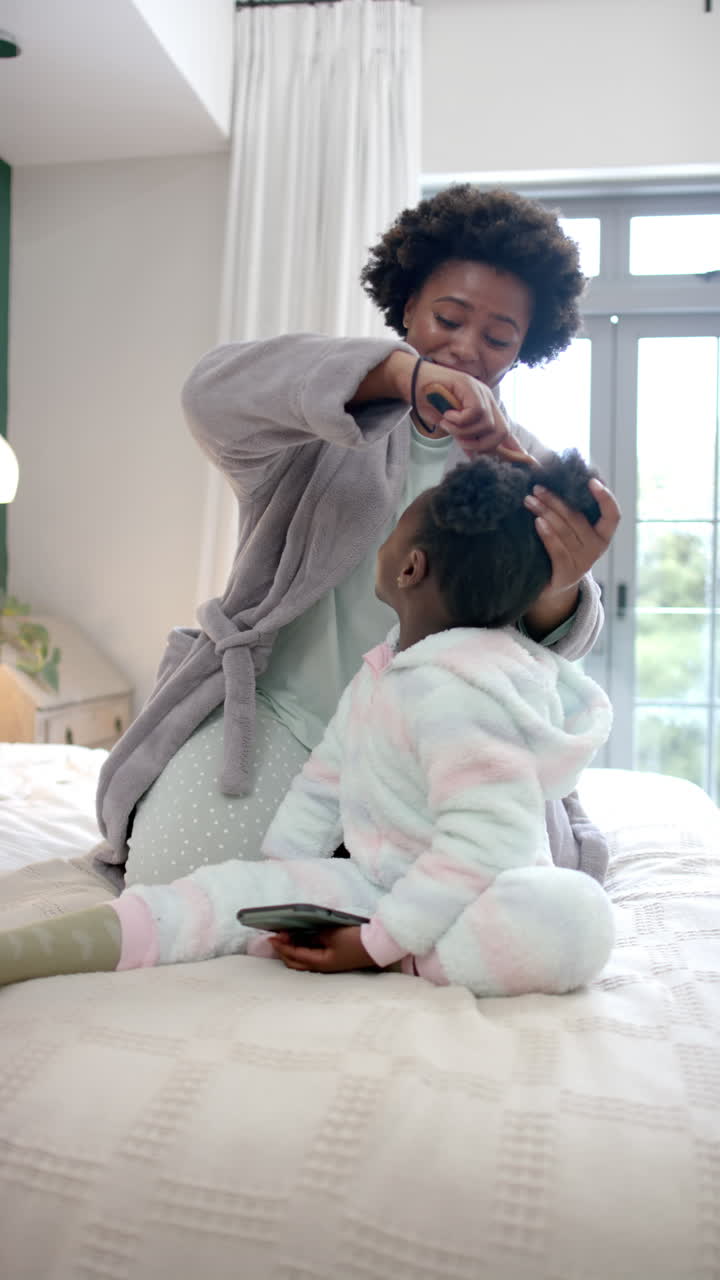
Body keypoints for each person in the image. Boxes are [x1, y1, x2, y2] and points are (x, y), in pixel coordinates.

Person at [91, 184, 620, 887]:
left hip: (436, 734)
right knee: (170, 887)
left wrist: (560, 582)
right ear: (407, 309)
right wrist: (400, 373)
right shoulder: (316, 424)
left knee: (499, 902)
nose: (467, 349)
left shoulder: (522, 467)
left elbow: (557, 644)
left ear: (525, 348)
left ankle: (357, 874)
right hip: (282, 713)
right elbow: (209, 392)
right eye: (448, 319)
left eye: (498, 337)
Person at [0, 452, 614, 996]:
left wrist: (379, 944)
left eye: (390, 534)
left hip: (479, 900)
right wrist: (283, 873)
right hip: (384, 884)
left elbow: (484, 848)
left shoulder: (465, 695)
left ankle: (416, 965)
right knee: (215, 897)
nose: (380, 545)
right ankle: (27, 952)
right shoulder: (387, 670)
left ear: (409, 569)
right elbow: (326, 776)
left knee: (571, 921)